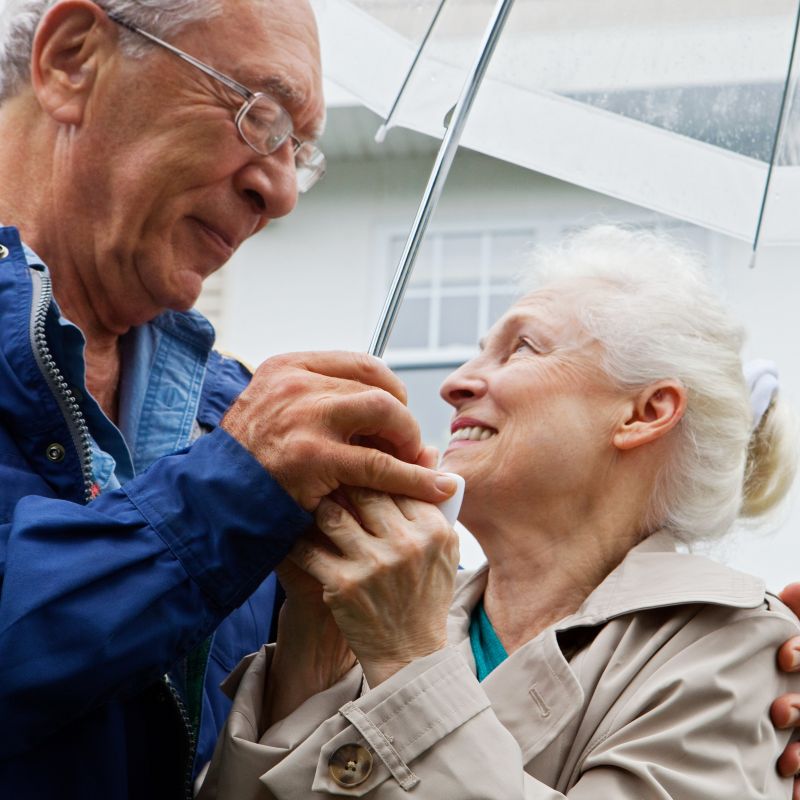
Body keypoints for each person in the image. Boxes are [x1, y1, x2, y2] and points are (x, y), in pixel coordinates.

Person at [0, 1, 457, 798]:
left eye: (300, 151)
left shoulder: (238, 422)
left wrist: (319, 654)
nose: (280, 192)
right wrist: (229, 491)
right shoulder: (244, 462)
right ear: (72, 61)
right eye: (259, 114)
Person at [199, 225, 800, 799]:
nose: (455, 384)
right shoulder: (387, 608)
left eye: (522, 348)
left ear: (644, 413)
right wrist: (314, 641)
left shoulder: (735, 643)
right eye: (477, 353)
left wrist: (409, 661)